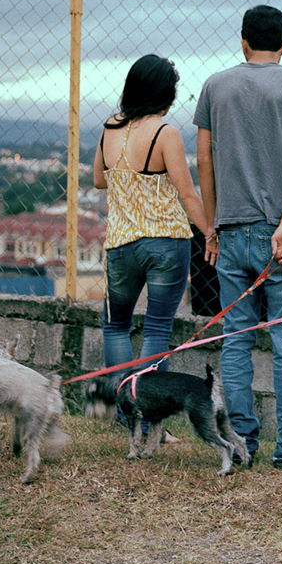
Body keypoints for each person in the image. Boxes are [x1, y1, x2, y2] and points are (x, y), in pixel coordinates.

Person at [194, 4, 282, 469]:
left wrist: (212, 226)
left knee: (236, 340)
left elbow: (205, 161)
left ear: (243, 41)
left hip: (231, 233)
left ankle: (241, 443)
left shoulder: (215, 86)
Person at [93, 54, 210, 401]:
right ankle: (150, 419)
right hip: (165, 240)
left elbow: (100, 179)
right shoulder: (165, 133)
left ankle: (126, 412)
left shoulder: (110, 127)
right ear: (166, 95)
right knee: (157, 328)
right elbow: (188, 195)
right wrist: (211, 233)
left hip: (121, 243)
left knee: (116, 327)